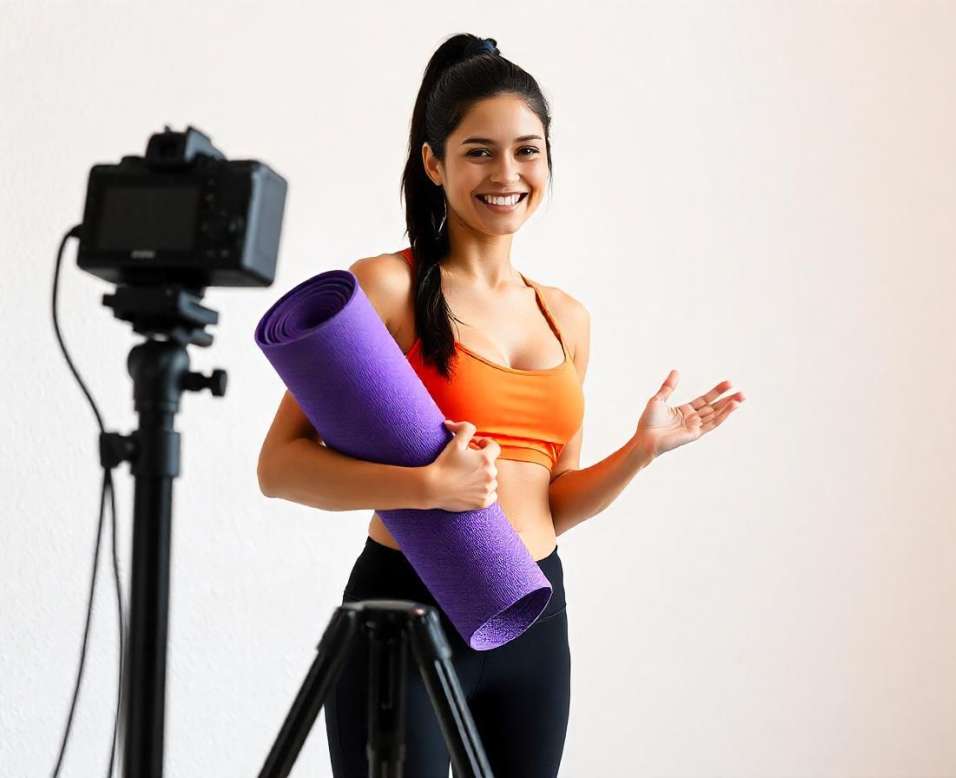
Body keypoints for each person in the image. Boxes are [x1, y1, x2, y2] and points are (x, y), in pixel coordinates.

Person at [256, 32, 745, 778]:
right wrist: (426, 487)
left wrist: (640, 451)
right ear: (434, 164)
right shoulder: (387, 289)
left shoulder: (566, 318)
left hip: (532, 612)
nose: (506, 173)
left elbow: (553, 503)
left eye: (527, 151)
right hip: (406, 607)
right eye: (479, 152)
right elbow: (280, 468)